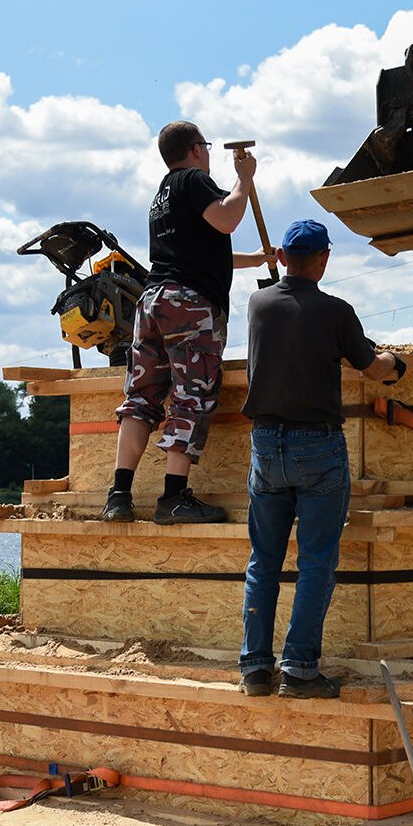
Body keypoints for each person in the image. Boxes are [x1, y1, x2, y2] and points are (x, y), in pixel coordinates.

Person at [236, 219, 406, 698]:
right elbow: (371, 368)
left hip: (266, 446)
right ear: (324, 259)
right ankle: (300, 670)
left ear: (283, 257)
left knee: (263, 561)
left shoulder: (257, 304)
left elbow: (279, 310)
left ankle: (255, 668)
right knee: (314, 562)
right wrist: (395, 362)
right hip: (318, 448)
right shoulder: (336, 311)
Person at [105, 121, 272, 525]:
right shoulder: (194, 180)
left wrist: (259, 259)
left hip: (153, 302)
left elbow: (200, 252)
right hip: (188, 306)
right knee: (190, 396)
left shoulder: (162, 196)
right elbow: (228, 218)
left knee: (141, 398)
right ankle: (174, 497)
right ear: (197, 149)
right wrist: (244, 180)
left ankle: (119, 495)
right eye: (207, 147)